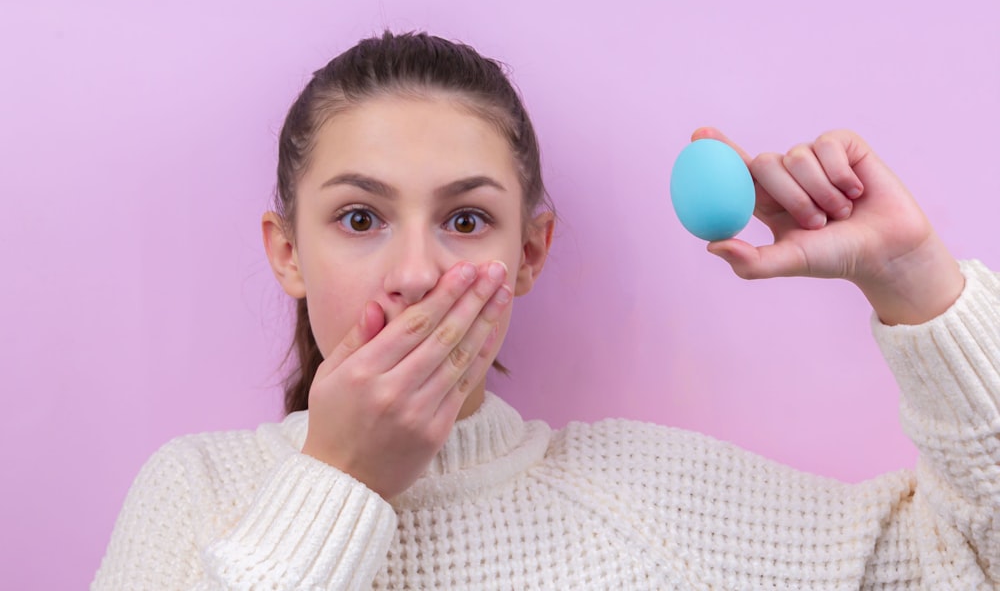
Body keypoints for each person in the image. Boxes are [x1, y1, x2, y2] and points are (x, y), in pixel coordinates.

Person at [92, 31, 1000, 590]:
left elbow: (968, 565)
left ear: (528, 253)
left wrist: (916, 280)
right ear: (288, 250)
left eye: (467, 219)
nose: (415, 273)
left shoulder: (659, 502)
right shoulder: (198, 496)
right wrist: (340, 485)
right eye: (360, 218)